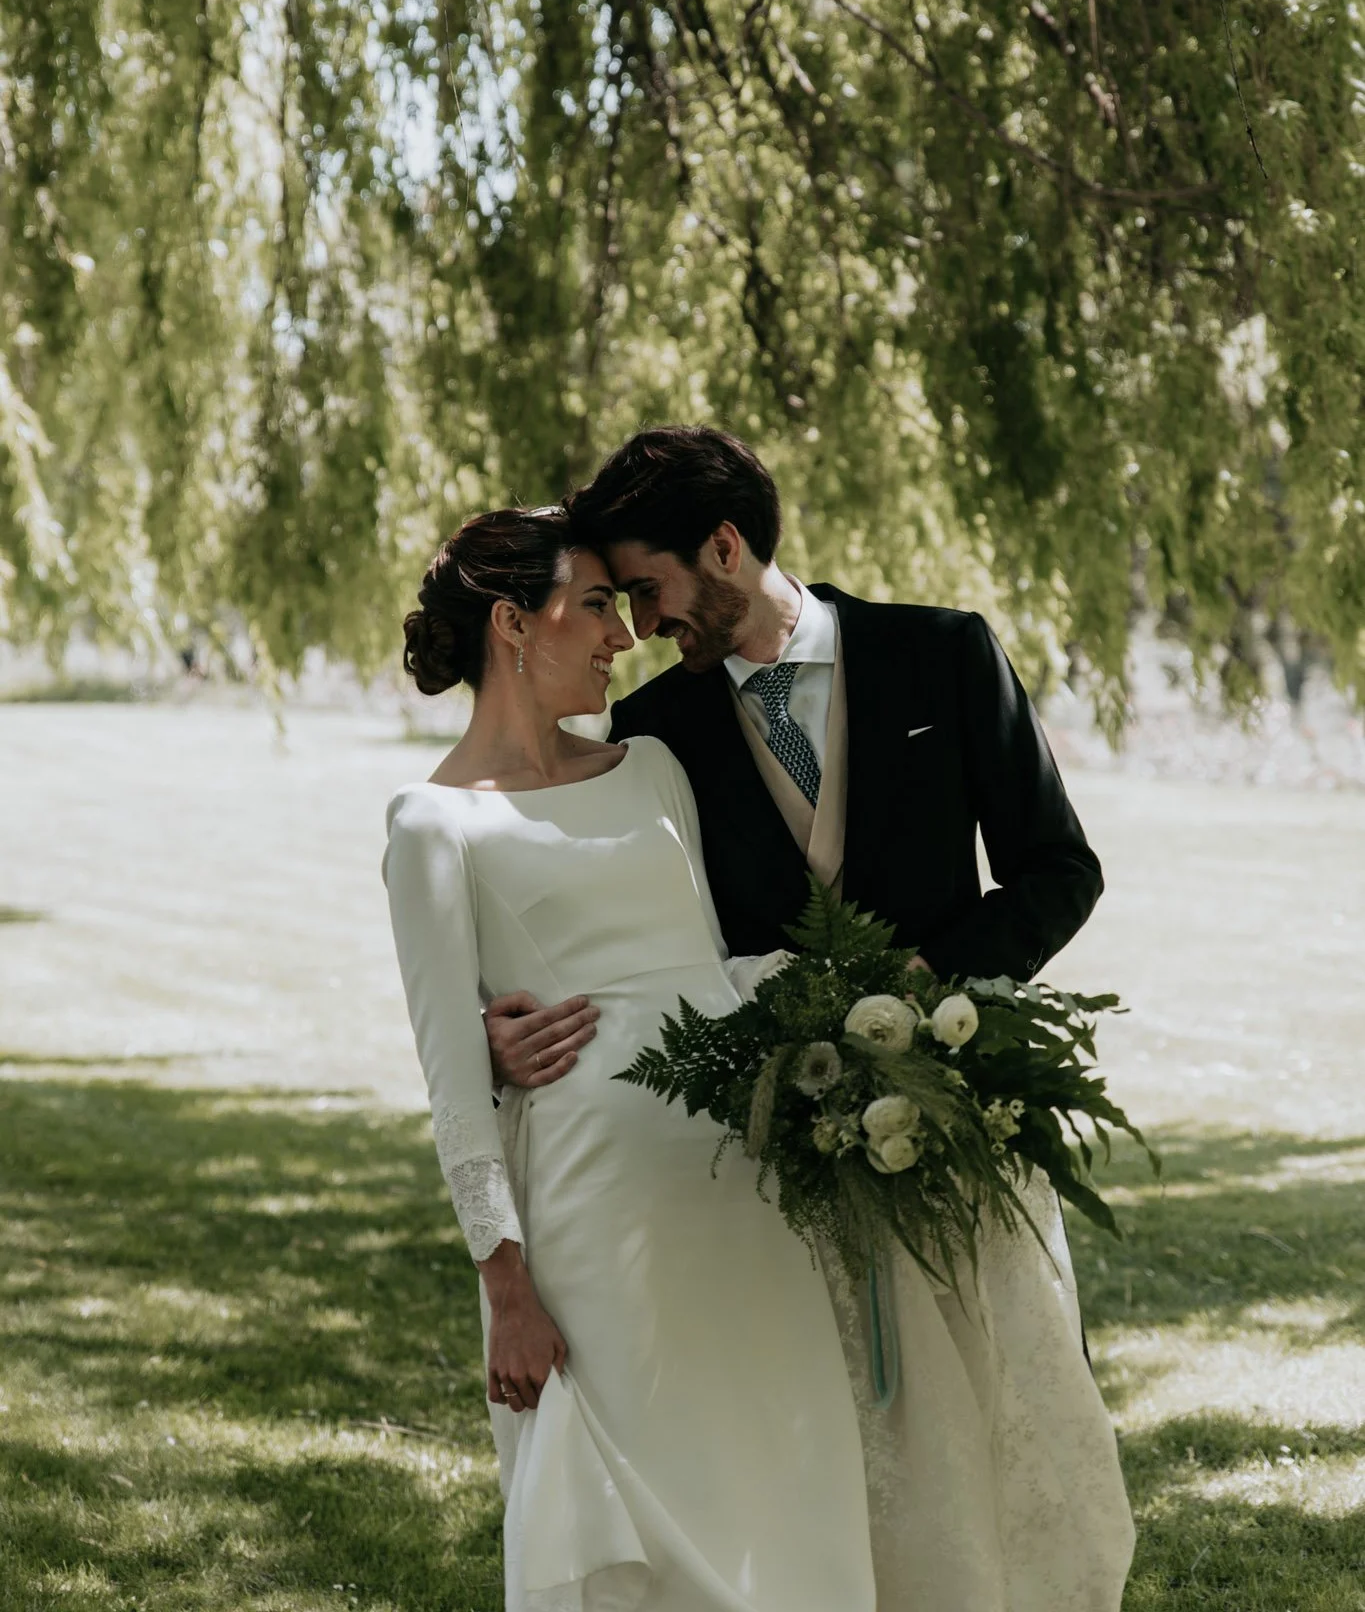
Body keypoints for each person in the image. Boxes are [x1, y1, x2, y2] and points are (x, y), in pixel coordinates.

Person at [484, 429, 1136, 1610]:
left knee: (987, 1417)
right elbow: (611, 929)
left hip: (951, 1120)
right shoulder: (658, 738)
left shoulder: (945, 652)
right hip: (780, 1155)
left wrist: (934, 983)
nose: (639, 624)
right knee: (822, 1445)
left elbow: (1060, 870)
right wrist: (501, 1026)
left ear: (726, 546)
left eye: (651, 587)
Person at [383, 507, 877, 1612]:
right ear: (515, 623)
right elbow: (448, 1076)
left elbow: (704, 966)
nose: (624, 634)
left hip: (741, 1183)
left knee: (776, 1465)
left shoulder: (652, 766)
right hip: (588, 1212)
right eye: (597, 605)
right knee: (635, 1509)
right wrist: (504, 1284)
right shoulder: (432, 823)